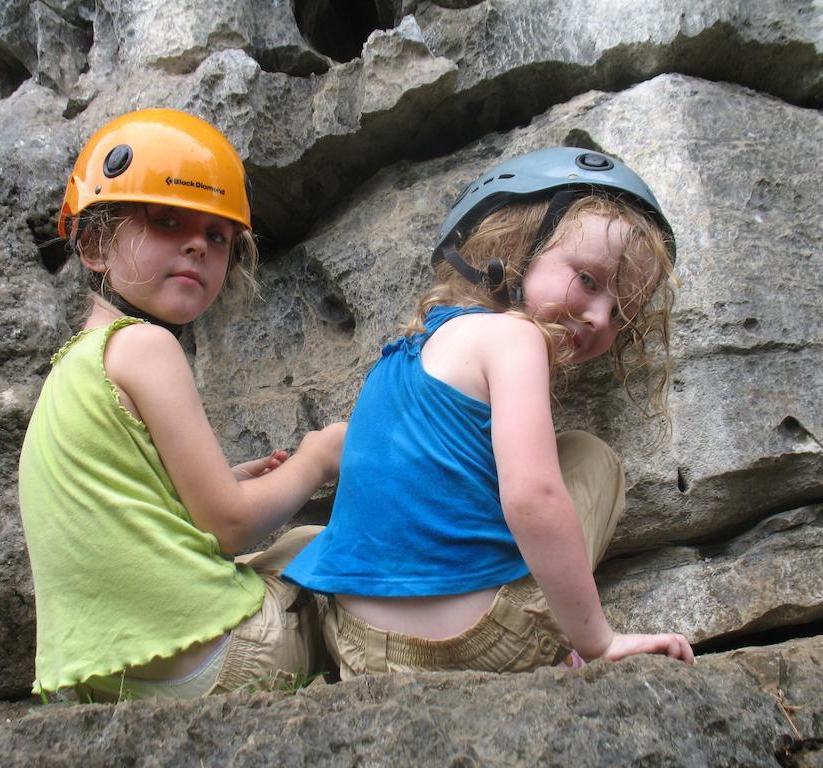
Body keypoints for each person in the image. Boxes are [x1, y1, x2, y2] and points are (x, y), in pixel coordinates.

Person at [283, 147, 695, 678]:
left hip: (362, 649)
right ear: (514, 248)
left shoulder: (404, 355)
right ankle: (567, 631)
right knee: (590, 458)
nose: (598, 317)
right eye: (589, 280)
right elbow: (532, 496)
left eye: (620, 314)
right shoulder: (515, 337)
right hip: (477, 644)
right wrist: (596, 642)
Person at [18, 108, 345, 701]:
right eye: (167, 221)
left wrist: (218, 481)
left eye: (217, 236)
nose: (197, 244)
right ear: (93, 245)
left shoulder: (73, 367)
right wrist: (317, 460)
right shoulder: (146, 346)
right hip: (215, 663)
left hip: (110, 686)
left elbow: (131, 510)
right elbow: (228, 525)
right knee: (318, 545)